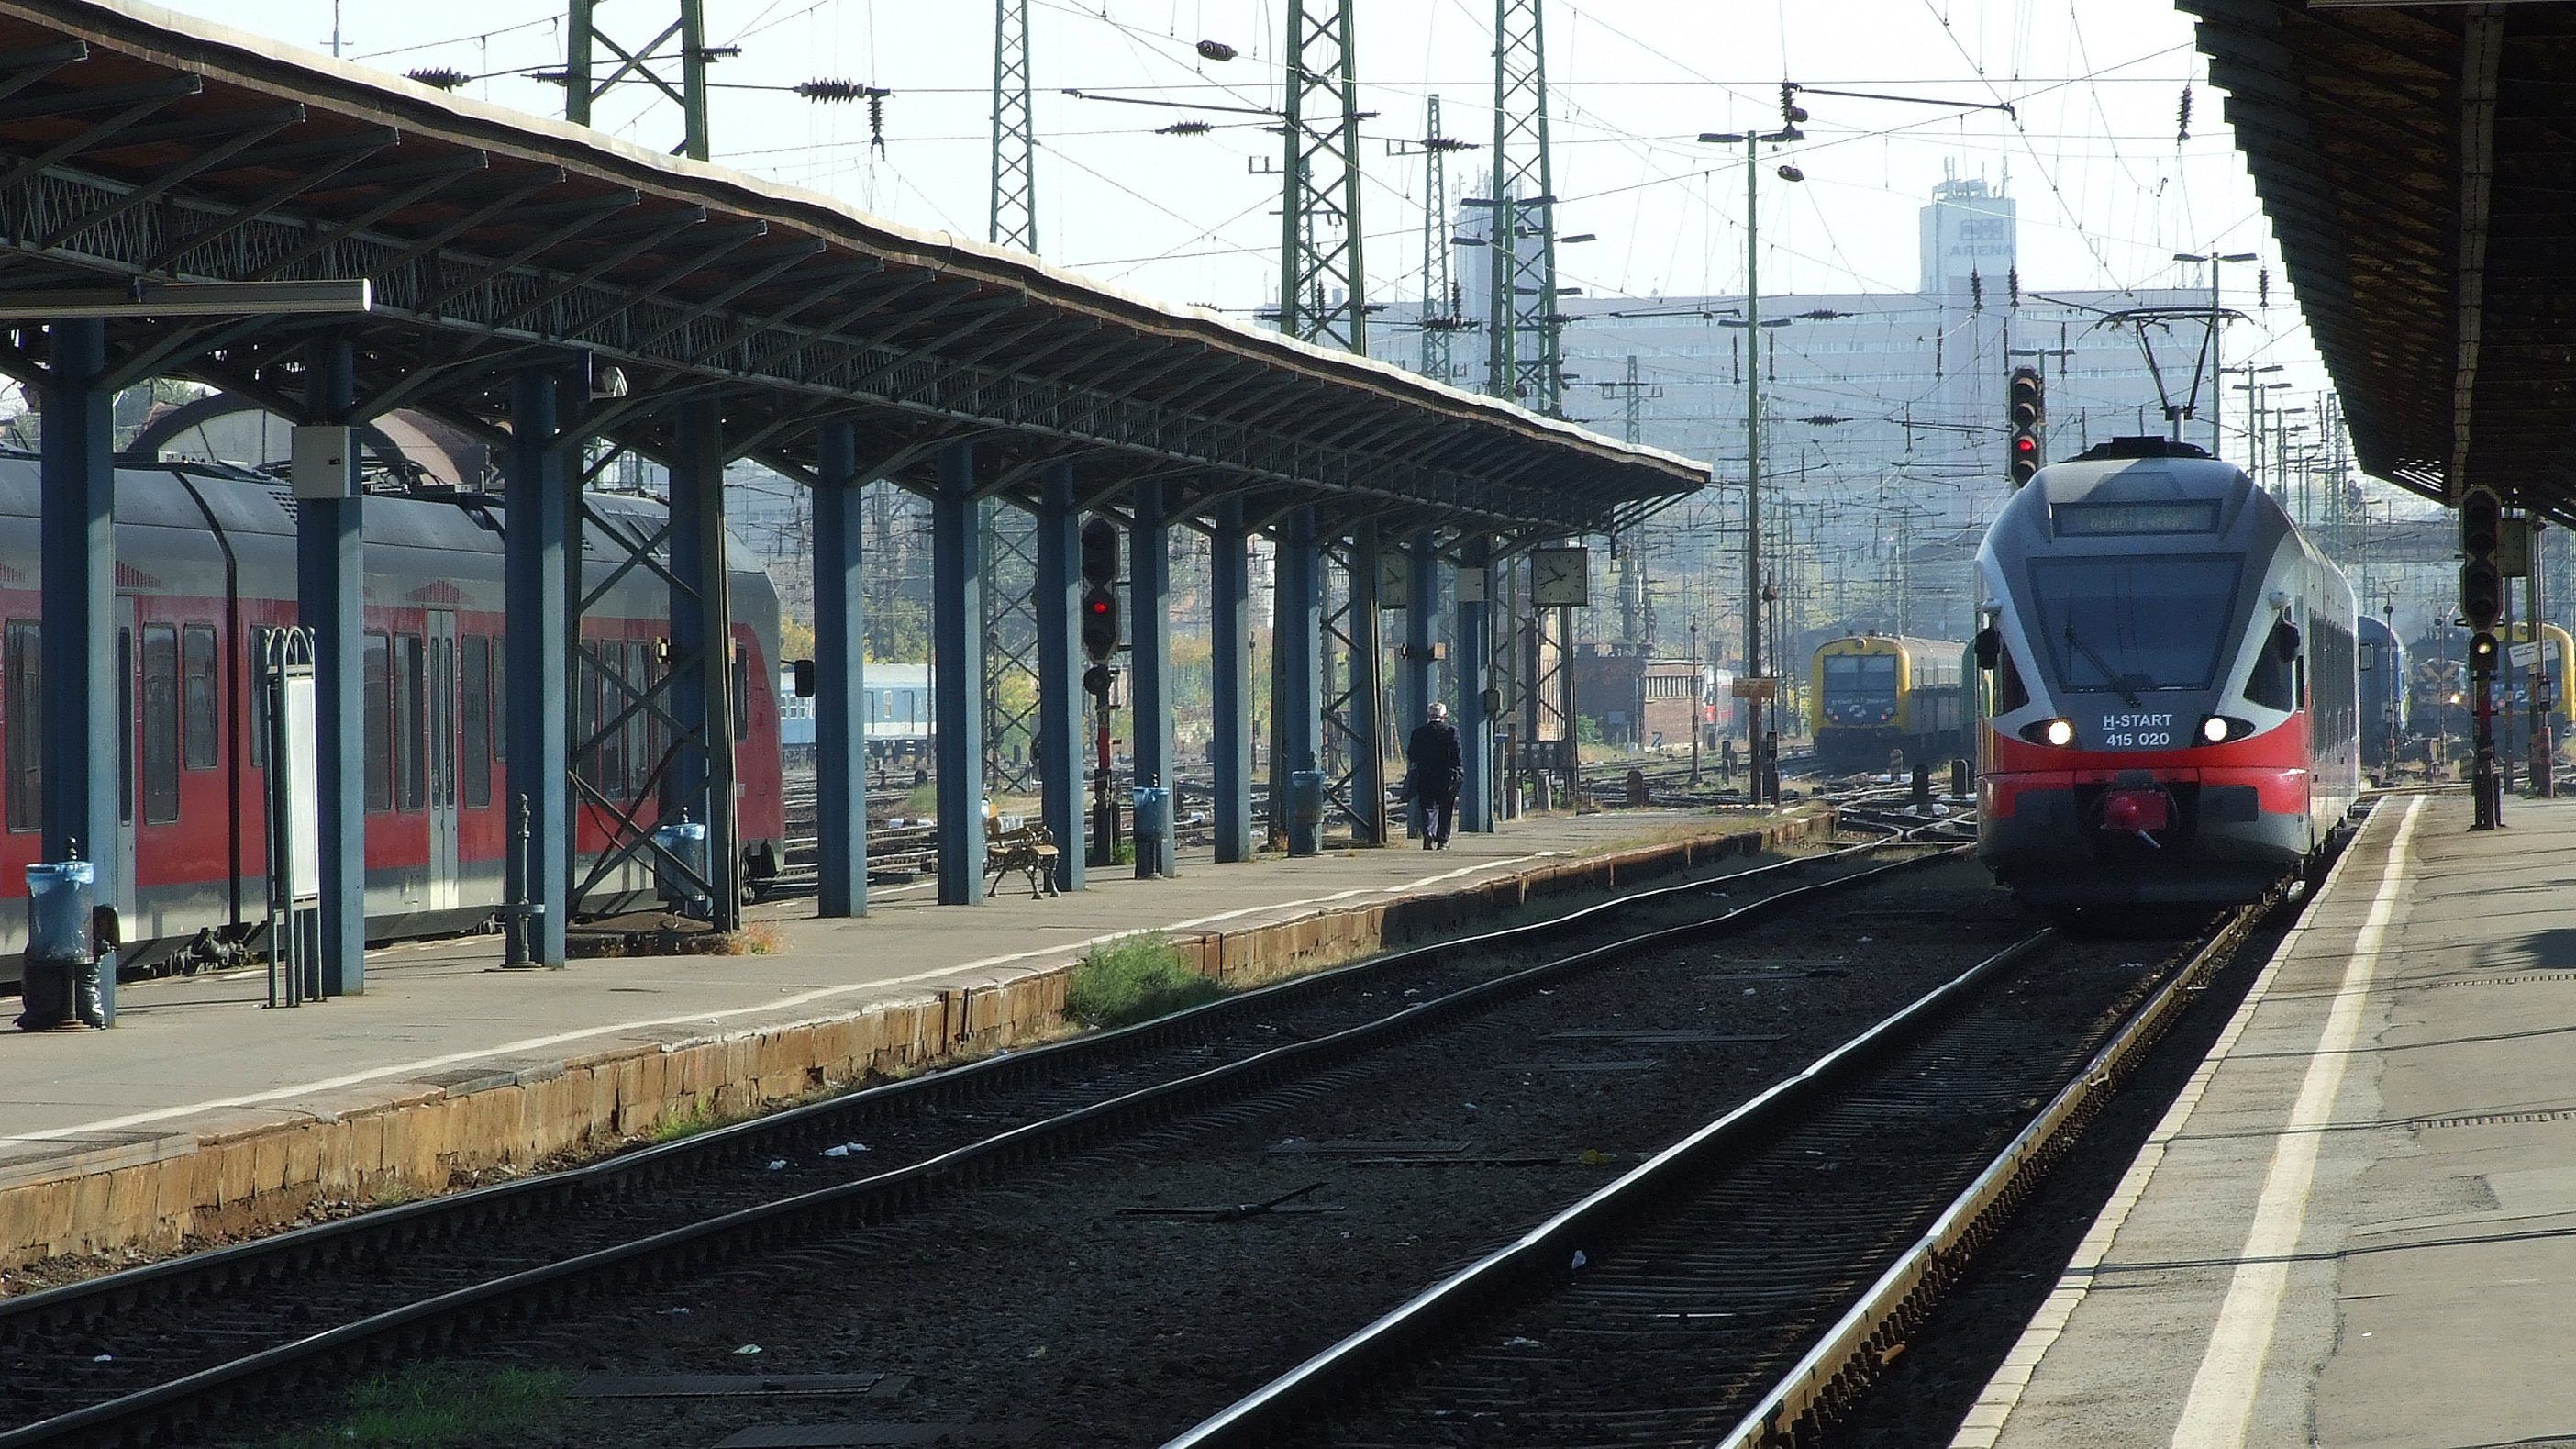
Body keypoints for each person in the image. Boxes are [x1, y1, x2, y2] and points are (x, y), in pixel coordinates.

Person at [1405, 702, 1464, 849]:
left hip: (1425, 774)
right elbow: (1457, 755)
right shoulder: (1451, 731)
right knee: (1446, 807)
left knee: (1427, 806)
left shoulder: (1418, 733)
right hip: (1446, 776)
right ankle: (1443, 840)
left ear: (1428, 716)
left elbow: (1411, 755)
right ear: (1444, 716)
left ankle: (1428, 833)